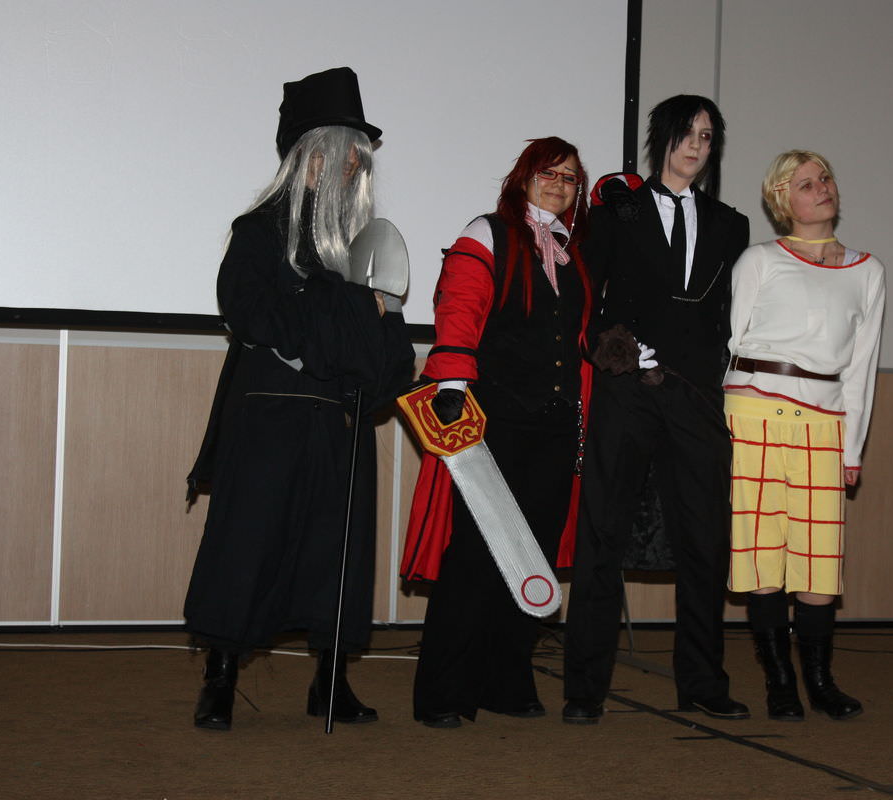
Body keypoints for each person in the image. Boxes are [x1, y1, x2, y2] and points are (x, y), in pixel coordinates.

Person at [182, 67, 414, 731]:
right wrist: (339, 317)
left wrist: (369, 344)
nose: (352, 167)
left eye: (358, 158)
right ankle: (220, 678)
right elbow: (249, 310)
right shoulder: (259, 231)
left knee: (336, 553)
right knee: (246, 545)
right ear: (311, 155)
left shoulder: (362, 248)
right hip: (269, 417)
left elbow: (387, 342)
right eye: (343, 153)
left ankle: (330, 683)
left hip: (338, 423)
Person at [562, 95, 749, 724]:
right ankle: (584, 688)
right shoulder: (617, 211)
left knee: (705, 539)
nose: (697, 146)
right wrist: (610, 347)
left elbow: (727, 316)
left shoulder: (731, 224)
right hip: (627, 390)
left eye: (707, 136)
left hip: (696, 396)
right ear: (661, 138)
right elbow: (584, 298)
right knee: (602, 534)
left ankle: (703, 682)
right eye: (686, 133)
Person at [402, 137, 594, 729]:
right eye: (548, 173)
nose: (559, 184)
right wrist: (452, 382)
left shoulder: (573, 251)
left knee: (533, 555)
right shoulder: (487, 231)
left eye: (570, 177)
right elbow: (459, 306)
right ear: (522, 178)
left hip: (556, 425)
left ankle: (505, 680)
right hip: (493, 423)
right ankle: (442, 692)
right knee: (476, 554)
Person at [724, 150, 884, 721]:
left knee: (819, 560)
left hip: (824, 421)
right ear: (782, 201)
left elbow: (862, 369)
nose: (822, 189)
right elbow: (729, 344)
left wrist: (852, 447)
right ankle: (780, 682)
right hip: (752, 415)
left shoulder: (868, 271)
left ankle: (820, 681)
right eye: (806, 184)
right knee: (762, 555)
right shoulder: (759, 260)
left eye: (825, 179)